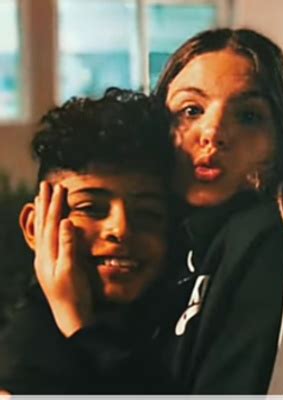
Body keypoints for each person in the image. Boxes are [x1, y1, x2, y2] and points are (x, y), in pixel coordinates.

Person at [29, 28, 283, 394]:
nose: (213, 132)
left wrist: (77, 324)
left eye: (248, 116)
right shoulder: (172, 249)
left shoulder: (271, 236)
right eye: (191, 111)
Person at [0, 88, 174, 394]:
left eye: (148, 213)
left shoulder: (170, 326)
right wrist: (77, 324)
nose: (120, 229)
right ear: (34, 226)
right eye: (91, 208)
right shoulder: (22, 368)